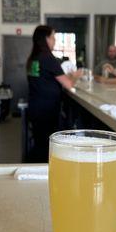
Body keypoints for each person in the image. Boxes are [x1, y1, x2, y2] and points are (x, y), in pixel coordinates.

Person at [26, 25, 81, 162]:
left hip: (35, 106)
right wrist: (75, 75)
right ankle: (44, 169)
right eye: (53, 37)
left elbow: (45, 78)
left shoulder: (33, 58)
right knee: (47, 145)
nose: (55, 41)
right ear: (46, 39)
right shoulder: (48, 58)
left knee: (40, 141)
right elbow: (68, 84)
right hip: (47, 109)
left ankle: (36, 164)